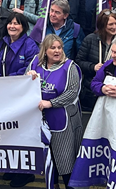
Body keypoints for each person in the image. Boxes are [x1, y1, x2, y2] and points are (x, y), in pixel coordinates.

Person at [27, 34, 84, 189]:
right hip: (40, 121)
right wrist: (27, 78)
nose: (57, 51)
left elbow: (73, 93)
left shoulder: (70, 67)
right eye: (53, 48)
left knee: (65, 162)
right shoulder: (34, 64)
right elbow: (24, 88)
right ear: (45, 50)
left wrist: (51, 103)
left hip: (63, 120)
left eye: (59, 47)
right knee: (48, 162)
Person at [75, 9, 116, 111]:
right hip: (91, 92)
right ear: (102, 25)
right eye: (110, 24)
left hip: (114, 91)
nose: (114, 27)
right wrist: (92, 67)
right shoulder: (90, 40)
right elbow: (78, 61)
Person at [0, 12, 38, 77]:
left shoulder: (30, 45)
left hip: (19, 84)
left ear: (23, 27)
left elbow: (30, 66)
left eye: (16, 24)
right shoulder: (0, 43)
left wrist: (10, 79)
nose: (12, 26)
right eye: (10, 23)